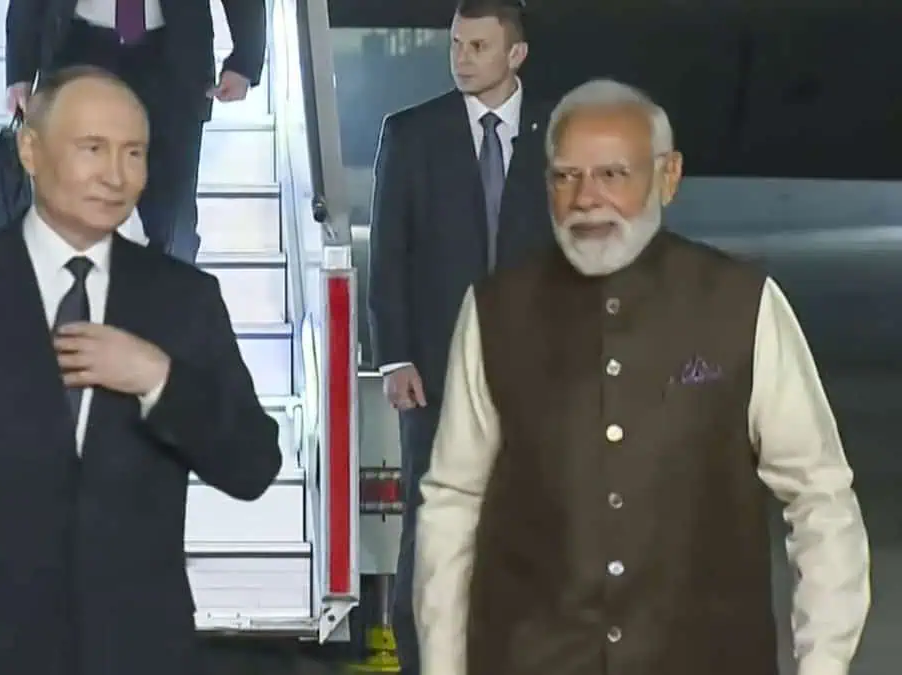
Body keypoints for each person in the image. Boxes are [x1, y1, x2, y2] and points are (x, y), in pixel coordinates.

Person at [415, 78, 871, 675]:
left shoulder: (742, 304)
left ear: (668, 176)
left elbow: (819, 497)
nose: (586, 199)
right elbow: (453, 502)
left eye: (612, 174)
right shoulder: (495, 312)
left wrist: (824, 663)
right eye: (566, 176)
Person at [0, 65, 283, 675]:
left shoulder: (184, 299)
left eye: (134, 153)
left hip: (141, 654)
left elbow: (253, 464)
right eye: (93, 149)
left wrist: (157, 379)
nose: (116, 175)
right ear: (31, 150)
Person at [364, 1, 550, 671]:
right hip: (436, 373)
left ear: (515, 55)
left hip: (535, 375)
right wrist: (395, 358)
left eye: (478, 46)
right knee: (433, 532)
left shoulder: (559, 135)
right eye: (456, 44)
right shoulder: (412, 134)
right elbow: (389, 252)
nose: (462, 59)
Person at [4, 0, 266, 263]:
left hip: (174, 56)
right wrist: (20, 68)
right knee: (69, 215)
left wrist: (245, 58)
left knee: (174, 226)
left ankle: (172, 287)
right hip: (78, 47)